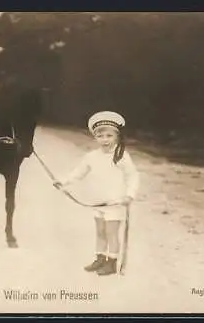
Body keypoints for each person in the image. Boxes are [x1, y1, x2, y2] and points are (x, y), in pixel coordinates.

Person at [53, 111, 140, 276]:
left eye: (109, 136)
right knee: (100, 232)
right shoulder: (91, 157)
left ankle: (112, 262)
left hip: (114, 203)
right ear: (95, 137)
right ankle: (100, 258)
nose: (105, 140)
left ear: (117, 137)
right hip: (97, 202)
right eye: (101, 136)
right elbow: (78, 173)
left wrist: (130, 194)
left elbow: (133, 175)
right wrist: (63, 181)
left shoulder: (121, 156)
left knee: (111, 233)